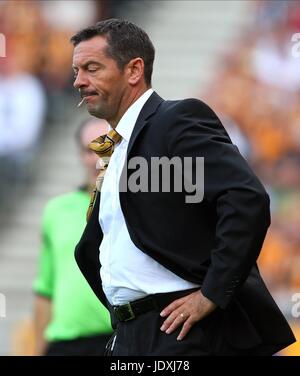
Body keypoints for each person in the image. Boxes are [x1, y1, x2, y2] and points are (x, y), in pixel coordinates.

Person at [71, 19, 295, 356]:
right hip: (129, 337)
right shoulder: (114, 148)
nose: (78, 81)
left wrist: (212, 295)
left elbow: (245, 198)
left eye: (91, 68)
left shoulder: (175, 120)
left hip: (179, 333)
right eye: (76, 71)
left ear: (134, 70)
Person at [33, 118, 113, 356]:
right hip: (64, 344)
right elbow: (44, 291)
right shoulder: (56, 210)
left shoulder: (134, 208)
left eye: (105, 148)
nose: (98, 158)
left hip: (117, 341)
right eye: (90, 150)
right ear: (80, 155)